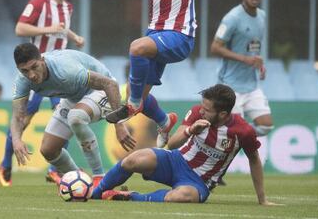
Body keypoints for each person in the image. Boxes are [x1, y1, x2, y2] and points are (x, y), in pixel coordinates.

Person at [79, 0, 281, 140]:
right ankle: (165, 122)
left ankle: (132, 104)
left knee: (136, 49)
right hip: (155, 35)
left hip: (181, 35)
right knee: (145, 97)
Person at [91, 84, 279, 205]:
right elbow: (172, 145)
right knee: (133, 159)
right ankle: (95, 194)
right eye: (202, 107)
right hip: (176, 160)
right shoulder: (197, 112)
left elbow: (254, 160)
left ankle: (129, 197)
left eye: (207, 110)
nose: (202, 112)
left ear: (223, 114)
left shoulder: (243, 132)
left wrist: (262, 199)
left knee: (182, 197)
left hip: (198, 182)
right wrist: (190, 131)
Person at [0, 0, 85, 187]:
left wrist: (74, 38)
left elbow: (61, 29)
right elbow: (20, 28)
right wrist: (49, 30)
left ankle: (54, 169)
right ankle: (6, 163)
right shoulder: (38, 3)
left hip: (58, 74)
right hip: (36, 75)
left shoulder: (68, 7)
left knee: (65, 116)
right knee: (23, 120)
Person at [9, 43, 136, 188]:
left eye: (34, 67)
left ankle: (99, 178)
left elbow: (110, 85)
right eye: (25, 71)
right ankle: (80, 181)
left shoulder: (66, 70)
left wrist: (119, 125)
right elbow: (18, 116)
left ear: (42, 60)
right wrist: (17, 140)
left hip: (101, 91)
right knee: (48, 150)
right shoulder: (23, 81)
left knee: (76, 117)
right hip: (73, 97)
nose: (31, 75)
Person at [210, 0, 273, 137]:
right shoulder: (232, 18)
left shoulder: (262, 16)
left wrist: (259, 64)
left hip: (251, 85)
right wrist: (245, 59)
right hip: (230, 85)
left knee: (266, 127)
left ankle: (232, 133)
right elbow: (215, 48)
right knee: (235, 130)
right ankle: (220, 135)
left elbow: (252, 47)